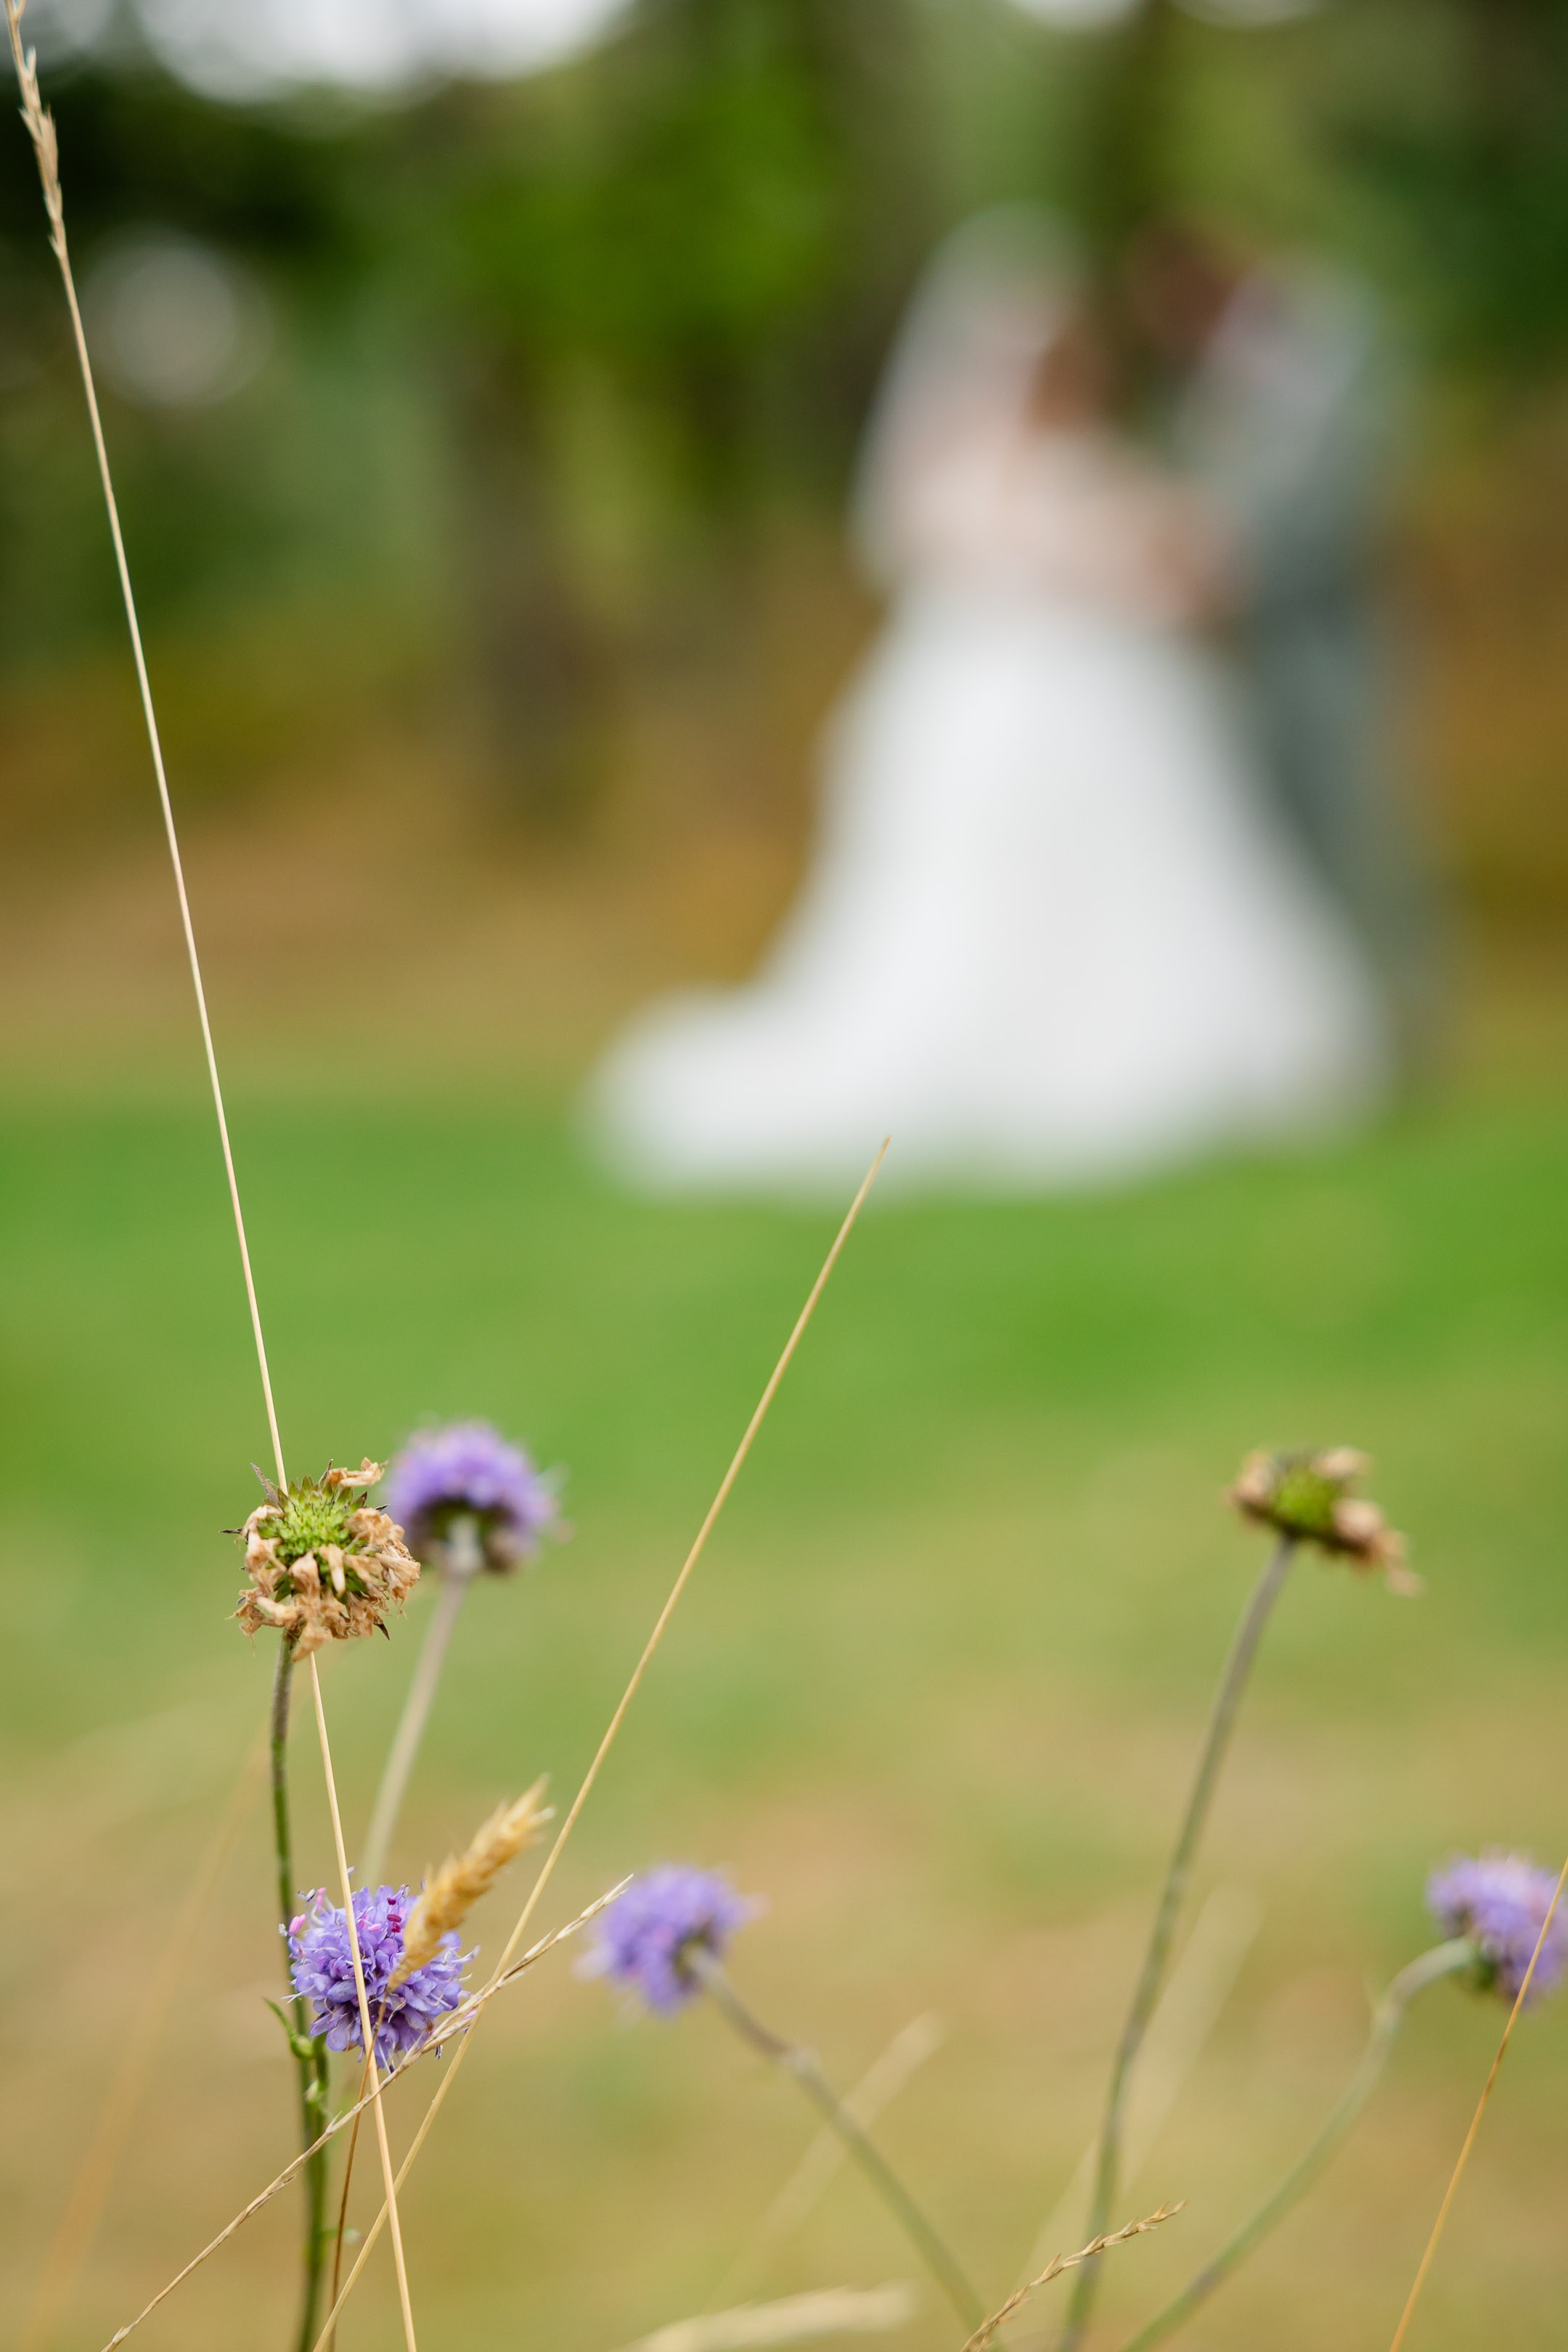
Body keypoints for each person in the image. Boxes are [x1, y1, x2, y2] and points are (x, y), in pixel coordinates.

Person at [584, 212, 1387, 1199]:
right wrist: (1097, 567)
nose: (1067, 374)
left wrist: (1161, 570)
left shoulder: (1107, 458)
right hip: (993, 711)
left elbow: (1170, 551)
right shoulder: (966, 471)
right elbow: (943, 551)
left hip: (1115, 709)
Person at [1125, 215, 1442, 1069]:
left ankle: (1410, 1032)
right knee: (1277, 847)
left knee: (1362, 832)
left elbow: (1342, 490)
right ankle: (1338, 1041)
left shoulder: (1319, 331)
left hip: (1328, 636)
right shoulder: (1194, 383)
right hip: (1239, 657)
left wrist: (1238, 572)